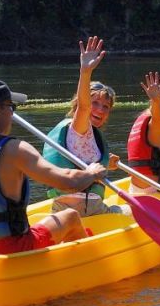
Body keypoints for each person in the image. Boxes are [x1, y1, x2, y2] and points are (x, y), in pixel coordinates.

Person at [0, 79, 106, 254]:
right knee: (70, 217)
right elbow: (68, 182)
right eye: (11, 107)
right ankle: (87, 264)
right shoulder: (13, 149)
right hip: (10, 248)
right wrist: (92, 172)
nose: (12, 113)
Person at [42, 36, 127, 216]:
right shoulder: (79, 128)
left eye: (106, 107)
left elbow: (82, 161)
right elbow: (84, 106)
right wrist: (85, 72)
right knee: (131, 210)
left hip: (64, 208)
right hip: (87, 210)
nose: (100, 110)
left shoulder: (89, 136)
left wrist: (105, 163)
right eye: (95, 103)